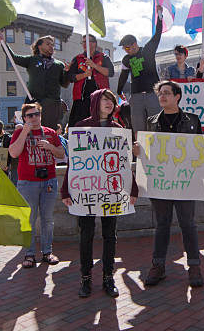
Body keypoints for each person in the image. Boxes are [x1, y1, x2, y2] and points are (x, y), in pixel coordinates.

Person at [61, 89, 138, 298]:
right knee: (86, 235)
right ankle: (85, 278)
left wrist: (132, 187)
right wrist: (66, 188)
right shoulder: (80, 126)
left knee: (109, 236)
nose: (109, 103)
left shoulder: (118, 129)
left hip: (110, 191)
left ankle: (108, 277)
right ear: (95, 101)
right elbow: (74, 163)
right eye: (104, 99)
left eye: (111, 100)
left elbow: (124, 164)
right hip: (86, 190)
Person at [135, 81, 204, 288]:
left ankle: (194, 266)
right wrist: (139, 151)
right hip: (162, 182)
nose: (162, 97)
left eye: (167, 93)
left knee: (188, 224)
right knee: (162, 225)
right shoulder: (151, 121)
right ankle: (158, 266)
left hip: (185, 181)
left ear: (177, 97)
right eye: (160, 94)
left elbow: (200, 149)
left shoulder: (192, 120)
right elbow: (148, 150)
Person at [9, 102, 65, 268]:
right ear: (24, 118)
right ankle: (29, 253)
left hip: (48, 180)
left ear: (41, 115)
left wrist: (50, 147)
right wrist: (24, 131)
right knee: (29, 219)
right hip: (27, 183)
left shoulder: (50, 133)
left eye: (36, 114)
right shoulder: (20, 132)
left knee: (47, 219)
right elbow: (13, 152)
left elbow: (62, 154)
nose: (34, 118)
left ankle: (47, 252)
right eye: (29, 115)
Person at [0, 34, 70, 130]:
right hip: (35, 103)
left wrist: (67, 73)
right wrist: (3, 42)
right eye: (48, 44)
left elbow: (64, 84)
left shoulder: (59, 65)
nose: (51, 47)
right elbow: (13, 58)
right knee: (34, 131)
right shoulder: (31, 60)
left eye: (52, 45)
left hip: (52, 105)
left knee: (51, 132)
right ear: (39, 46)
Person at [116, 6, 164, 137]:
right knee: (138, 128)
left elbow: (157, 35)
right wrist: (119, 90)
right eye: (124, 49)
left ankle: (157, 153)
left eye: (127, 47)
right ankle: (141, 154)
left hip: (152, 94)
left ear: (134, 44)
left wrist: (160, 16)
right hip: (136, 96)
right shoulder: (126, 59)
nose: (127, 50)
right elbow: (124, 75)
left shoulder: (147, 50)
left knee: (155, 126)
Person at [66, 34, 115, 127]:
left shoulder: (103, 57)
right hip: (81, 98)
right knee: (78, 125)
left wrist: (94, 66)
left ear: (94, 43)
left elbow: (110, 72)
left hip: (100, 98)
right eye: (83, 42)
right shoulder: (78, 58)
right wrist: (84, 75)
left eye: (88, 41)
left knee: (101, 125)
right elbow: (70, 77)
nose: (85, 44)